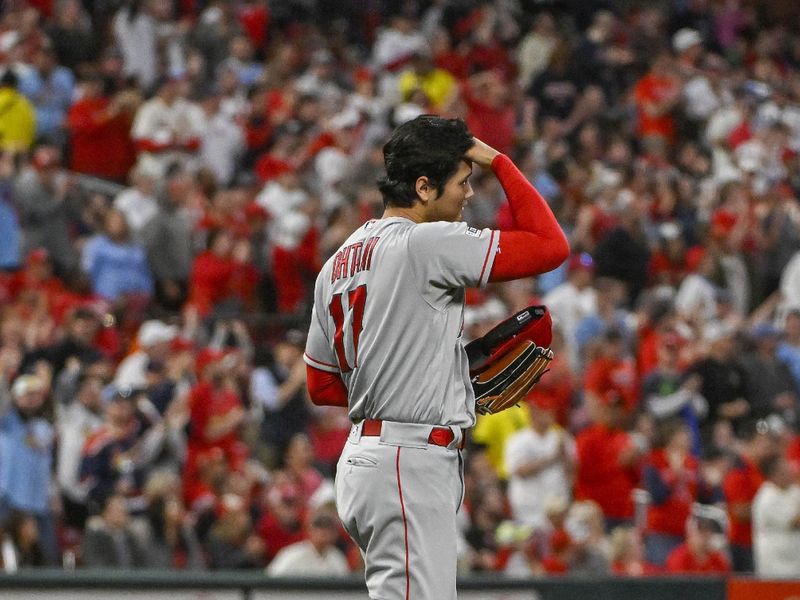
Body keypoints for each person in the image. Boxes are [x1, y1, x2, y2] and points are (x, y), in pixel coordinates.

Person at [303, 115, 568, 599]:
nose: (469, 194)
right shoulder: (424, 243)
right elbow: (551, 246)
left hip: (370, 459)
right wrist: (501, 161)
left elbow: (322, 386)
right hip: (407, 460)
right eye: (463, 182)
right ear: (424, 188)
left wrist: (424, 371)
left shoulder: (337, 261)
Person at [752, 454, 800, 576]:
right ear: (773, 475)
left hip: (795, 562)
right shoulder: (766, 497)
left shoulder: (793, 490)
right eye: (784, 471)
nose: (789, 473)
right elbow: (795, 521)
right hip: (775, 565)